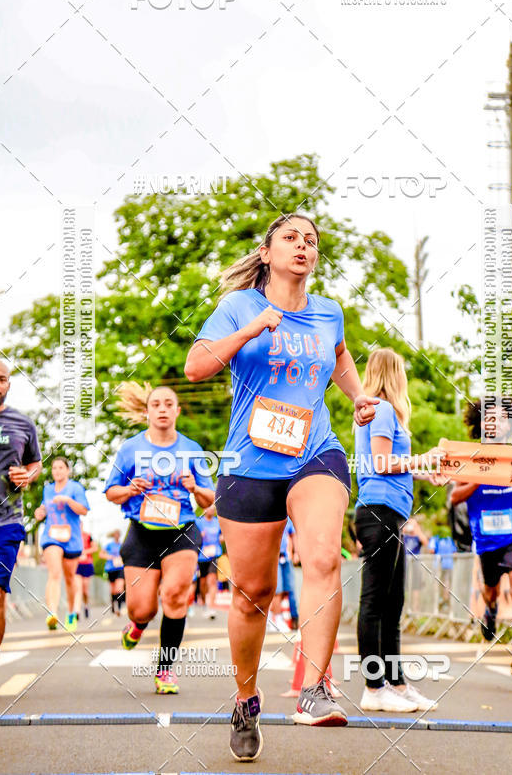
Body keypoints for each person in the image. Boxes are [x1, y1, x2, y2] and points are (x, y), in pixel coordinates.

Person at [185, 212, 378, 761]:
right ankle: (246, 698)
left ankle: (316, 689)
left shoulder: (329, 313)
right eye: (291, 238)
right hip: (250, 465)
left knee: (321, 557)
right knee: (253, 596)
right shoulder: (237, 307)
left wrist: (358, 396)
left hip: (315, 451)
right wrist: (249, 330)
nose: (303, 246)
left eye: (311, 240)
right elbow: (195, 366)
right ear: (267, 253)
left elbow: (339, 357)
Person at [104, 382, 214, 695]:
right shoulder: (130, 448)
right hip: (141, 532)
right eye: (156, 404)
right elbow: (111, 492)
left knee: (176, 596)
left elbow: (210, 501)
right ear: (147, 411)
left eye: (169, 404)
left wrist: (195, 487)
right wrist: (129, 490)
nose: (163, 409)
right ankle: (137, 625)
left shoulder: (192, 449)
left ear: (177, 411)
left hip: (181, 531)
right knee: (142, 609)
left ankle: (164, 671)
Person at [354, 348, 442, 713]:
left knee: (393, 604)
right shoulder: (384, 409)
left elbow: (392, 465)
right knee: (375, 602)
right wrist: (423, 460)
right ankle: (373, 688)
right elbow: (381, 462)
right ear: (396, 375)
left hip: (390, 514)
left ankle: (398, 683)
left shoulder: (376, 412)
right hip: (378, 512)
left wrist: (425, 472)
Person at [452, 399, 512, 677]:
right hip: (487, 537)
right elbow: (454, 497)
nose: (496, 422)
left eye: (502, 418)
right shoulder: (469, 456)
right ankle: (490, 609)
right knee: (491, 591)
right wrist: (480, 475)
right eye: (491, 417)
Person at [0, 358, 42, 701]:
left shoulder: (22, 422)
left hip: (5, 521)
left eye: (1, 379)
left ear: (9, 384)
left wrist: (29, 474)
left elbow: (35, 462)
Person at [34, 457, 89, 632]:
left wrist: (67, 500)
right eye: (54, 468)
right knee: (54, 573)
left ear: (67, 471)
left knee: (70, 579)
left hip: (72, 539)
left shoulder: (75, 488)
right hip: (51, 536)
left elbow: (84, 510)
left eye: (60, 467)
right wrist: (39, 512)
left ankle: (72, 612)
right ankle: (52, 613)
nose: (57, 471)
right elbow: (44, 509)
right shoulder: (47, 489)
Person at [268, 518, 299, 632]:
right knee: (277, 590)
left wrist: (296, 552)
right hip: (273, 557)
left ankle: (272, 617)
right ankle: (276, 618)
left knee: (287, 589)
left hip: (285, 557)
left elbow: (293, 535)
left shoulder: (288, 518)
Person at [197, 505, 223, 620]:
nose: (211, 510)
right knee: (203, 582)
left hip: (214, 553)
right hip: (202, 555)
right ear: (204, 509)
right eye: (209, 508)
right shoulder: (199, 521)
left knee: (212, 580)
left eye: (213, 508)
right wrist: (200, 536)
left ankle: (211, 607)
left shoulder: (218, 522)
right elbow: (195, 538)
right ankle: (204, 604)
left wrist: (221, 539)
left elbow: (222, 536)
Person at [100, 530, 125, 616]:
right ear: (113, 536)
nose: (117, 536)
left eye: (118, 534)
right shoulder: (109, 545)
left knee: (120, 588)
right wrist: (109, 557)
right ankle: (113, 605)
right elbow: (101, 554)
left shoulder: (122, 545)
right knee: (113, 590)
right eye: (115, 534)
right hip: (111, 569)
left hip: (120, 568)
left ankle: (119, 608)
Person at [75, 529, 97, 619]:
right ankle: (77, 611)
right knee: (78, 588)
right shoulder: (73, 535)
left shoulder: (88, 535)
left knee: (85, 590)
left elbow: (95, 548)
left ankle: (86, 605)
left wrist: (84, 552)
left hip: (87, 564)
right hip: (76, 564)